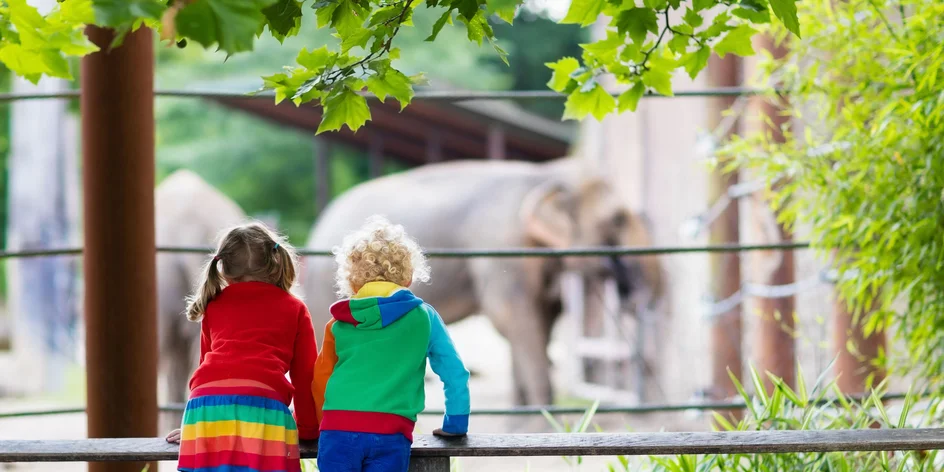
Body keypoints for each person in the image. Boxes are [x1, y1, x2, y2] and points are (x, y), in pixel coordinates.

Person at [313, 215, 470, 472]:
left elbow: (320, 377)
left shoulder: (338, 323)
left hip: (337, 429)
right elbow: (455, 373)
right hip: (391, 431)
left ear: (352, 281)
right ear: (408, 277)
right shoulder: (424, 317)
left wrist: (324, 420)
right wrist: (456, 424)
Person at [165, 222, 319, 472]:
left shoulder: (213, 305)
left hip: (204, 410)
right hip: (263, 408)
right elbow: (306, 377)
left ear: (224, 271)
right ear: (275, 262)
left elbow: (206, 367)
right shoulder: (295, 309)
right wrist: (309, 428)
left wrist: (197, 430)